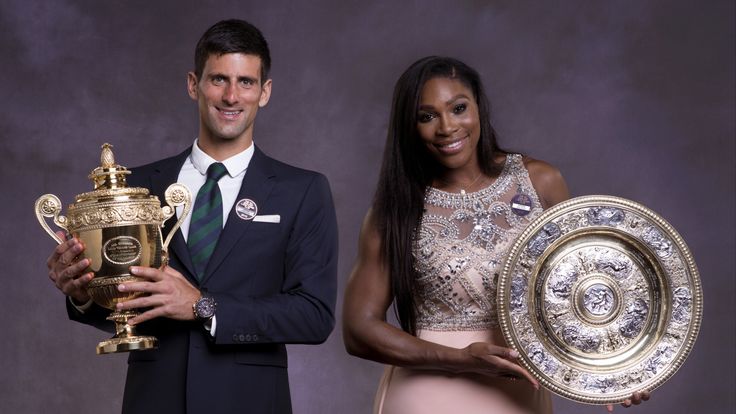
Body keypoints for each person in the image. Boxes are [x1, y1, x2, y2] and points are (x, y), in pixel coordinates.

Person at [46, 19, 338, 414]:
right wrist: (83, 294)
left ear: (264, 92)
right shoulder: (140, 186)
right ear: (193, 84)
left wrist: (204, 305)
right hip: (154, 399)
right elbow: (124, 301)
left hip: (250, 401)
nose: (232, 96)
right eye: (218, 79)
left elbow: (313, 316)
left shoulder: (302, 190)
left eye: (246, 82)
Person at [342, 56, 648, 413]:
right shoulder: (394, 210)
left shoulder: (539, 181)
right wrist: (462, 360)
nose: (446, 127)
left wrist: (617, 370)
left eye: (458, 108)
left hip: (516, 392)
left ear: (478, 108)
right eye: (427, 116)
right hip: (426, 393)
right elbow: (358, 329)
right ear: (410, 127)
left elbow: (582, 287)